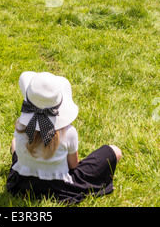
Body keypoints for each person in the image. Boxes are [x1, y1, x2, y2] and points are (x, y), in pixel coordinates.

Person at [6, 71, 122, 205]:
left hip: (23, 184)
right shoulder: (68, 132)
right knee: (115, 151)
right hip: (59, 187)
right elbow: (73, 165)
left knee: (15, 142)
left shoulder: (20, 126)